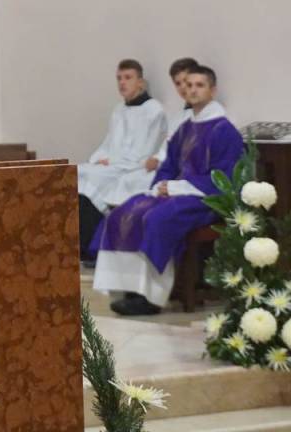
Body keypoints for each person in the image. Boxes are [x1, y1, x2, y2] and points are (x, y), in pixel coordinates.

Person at [91, 64, 243, 315]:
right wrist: (160, 186)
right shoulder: (186, 127)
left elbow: (223, 179)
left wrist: (176, 187)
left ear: (212, 90)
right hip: (177, 193)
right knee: (125, 211)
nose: (192, 90)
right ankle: (130, 288)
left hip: (205, 199)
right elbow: (169, 165)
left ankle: (152, 297)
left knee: (156, 218)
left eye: (199, 85)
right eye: (189, 85)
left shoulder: (224, 130)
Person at [77, 59, 167, 262]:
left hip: (133, 167)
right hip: (114, 164)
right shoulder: (119, 109)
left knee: (88, 178)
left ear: (140, 82)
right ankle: (82, 244)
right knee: (78, 172)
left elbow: (145, 149)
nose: (122, 83)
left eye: (128, 78)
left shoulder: (153, 110)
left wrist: (114, 161)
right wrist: (100, 158)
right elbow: (109, 142)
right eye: (119, 78)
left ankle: (93, 249)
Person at [145, 57, 198, 172]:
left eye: (186, 80)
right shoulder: (176, 119)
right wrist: (156, 159)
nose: (182, 87)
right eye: (178, 83)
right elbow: (166, 149)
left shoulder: (212, 114)